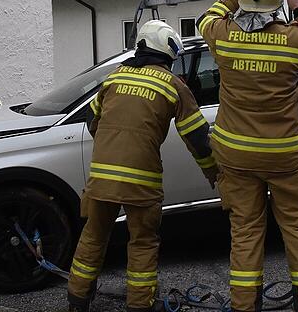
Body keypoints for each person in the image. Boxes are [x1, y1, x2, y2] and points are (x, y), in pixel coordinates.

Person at [198, 0, 298, 312]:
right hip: (284, 156)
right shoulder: (295, 39)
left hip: (236, 156)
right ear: (278, 3)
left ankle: (245, 305)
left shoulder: (224, 35)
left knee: (245, 232)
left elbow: (205, 20)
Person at [67, 20, 217, 312]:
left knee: (93, 236)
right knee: (143, 243)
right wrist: (214, 171)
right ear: (167, 52)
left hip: (101, 178)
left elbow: (92, 121)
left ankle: (77, 300)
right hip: (142, 182)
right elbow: (197, 137)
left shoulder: (114, 77)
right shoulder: (173, 85)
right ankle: (140, 304)